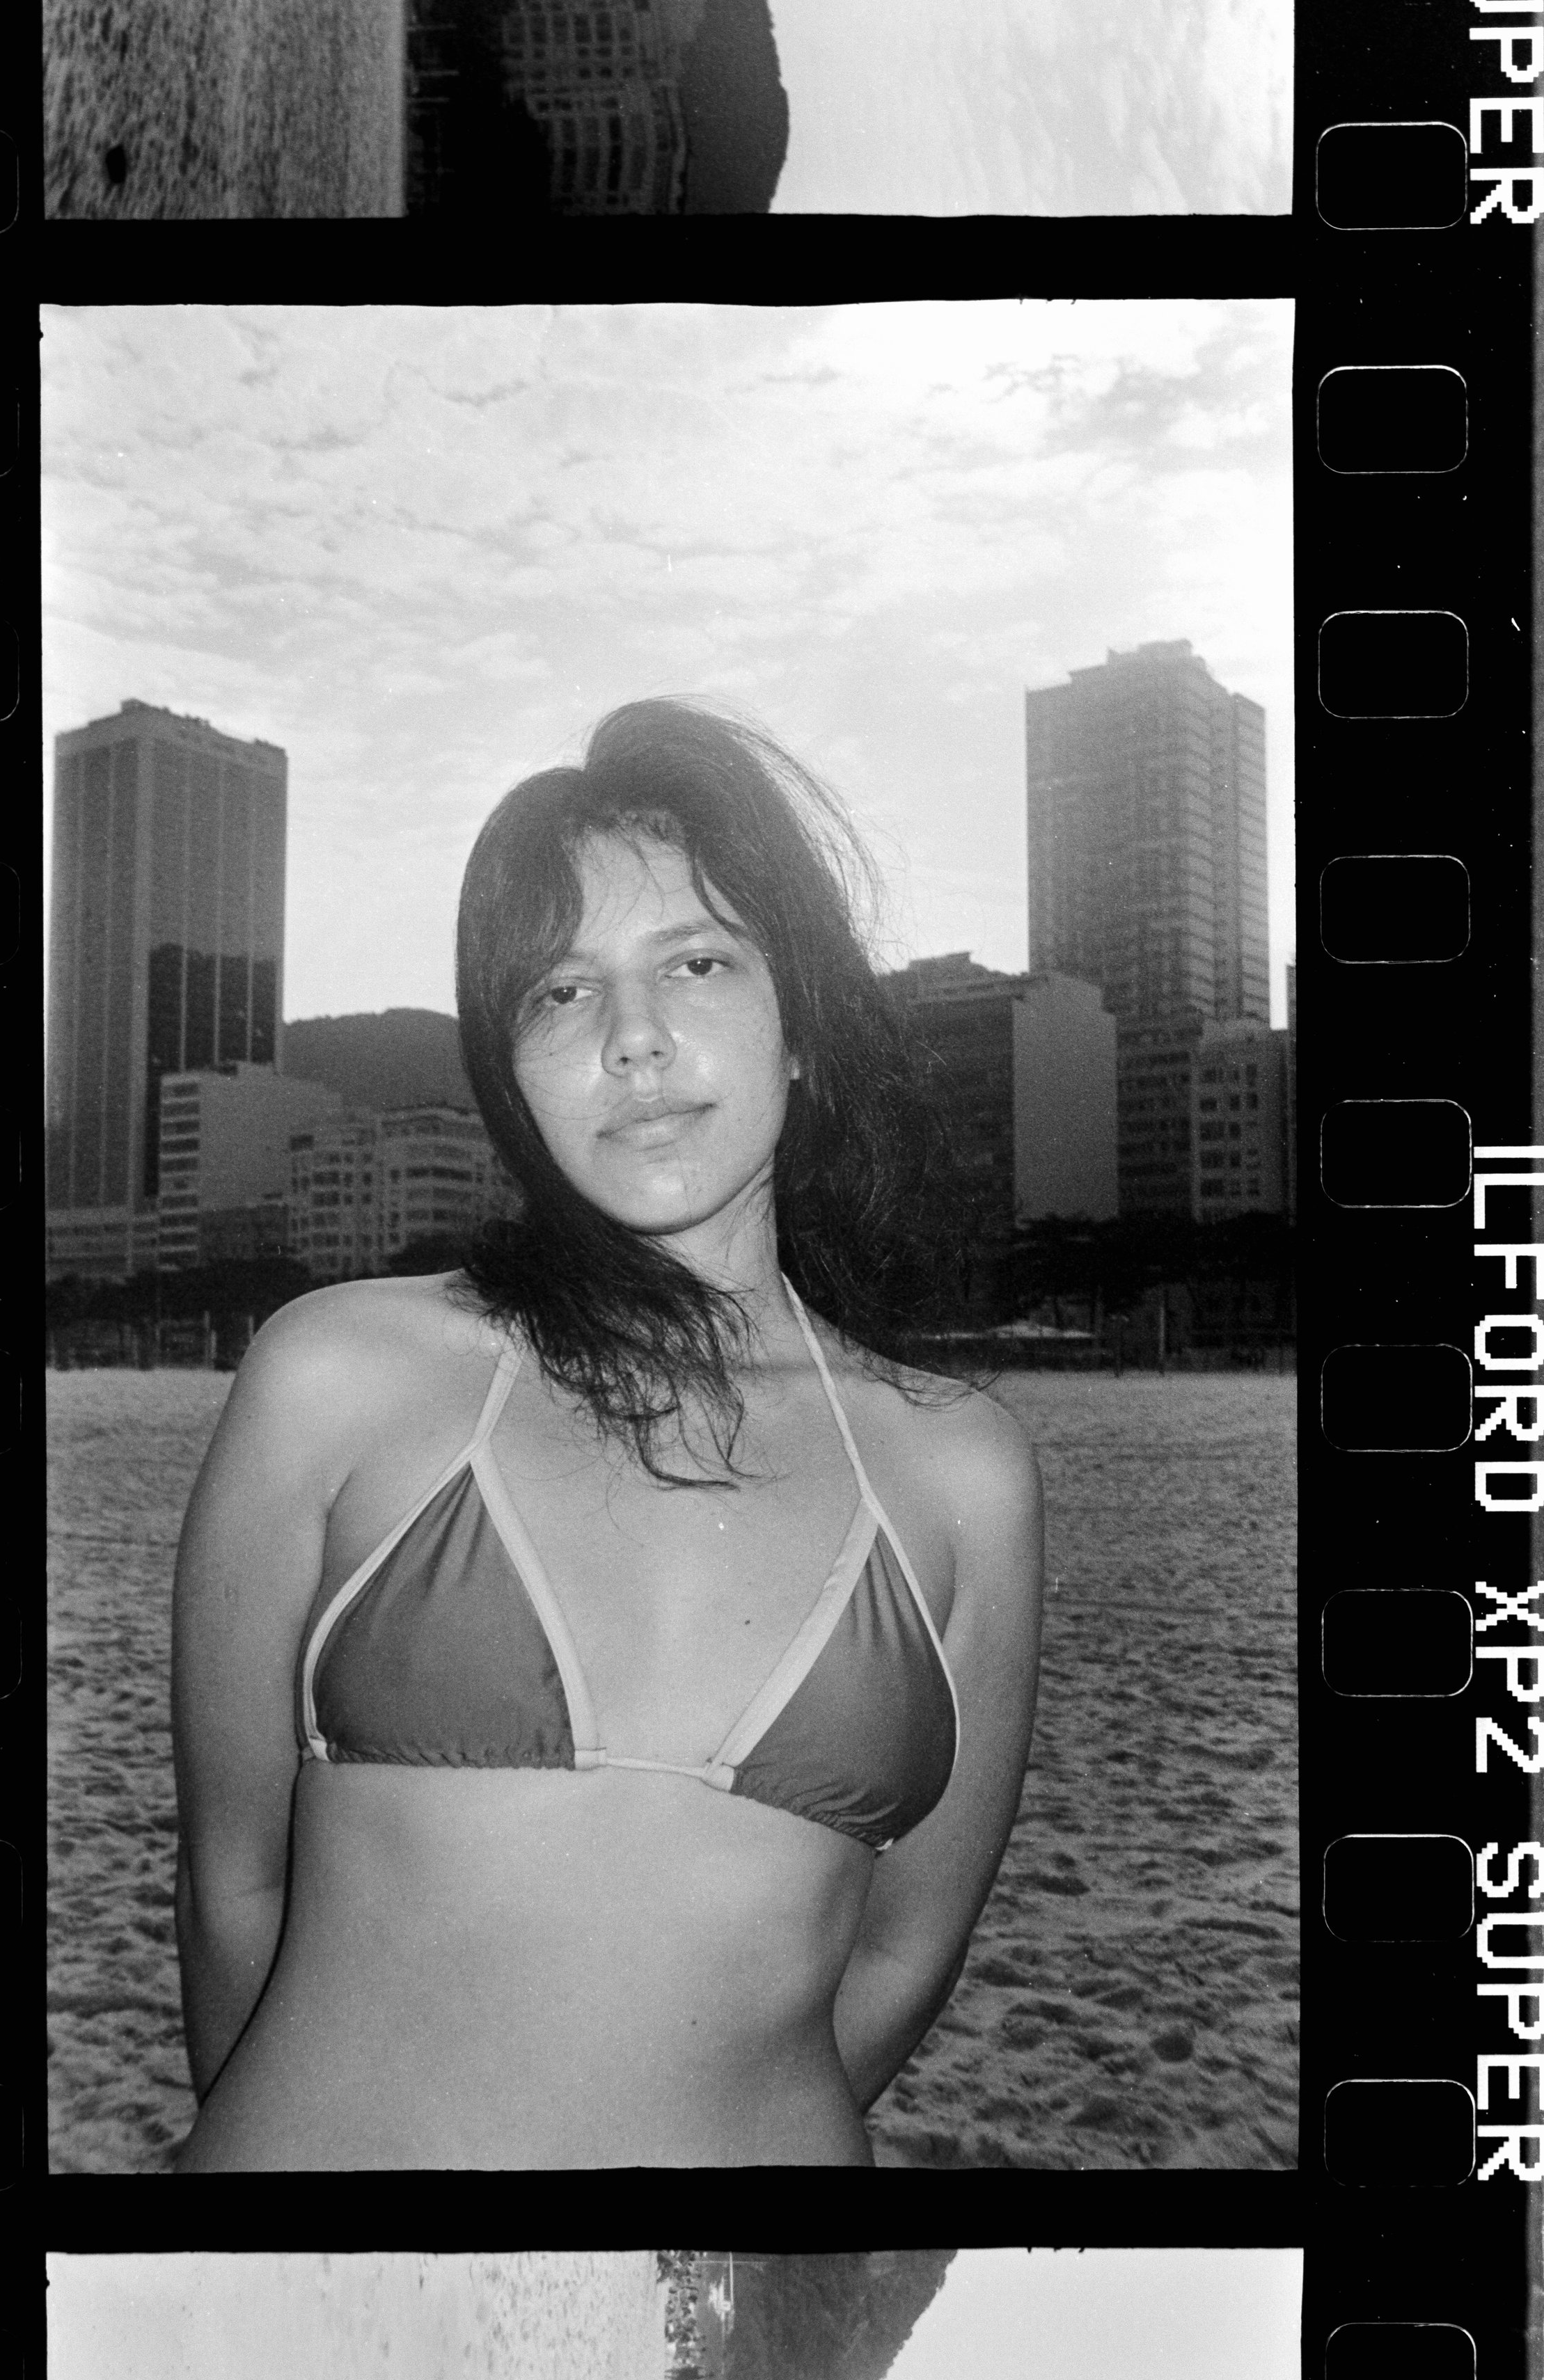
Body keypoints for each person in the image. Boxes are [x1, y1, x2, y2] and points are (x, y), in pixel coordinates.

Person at [171, 697, 1043, 2169]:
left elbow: (899, 1960)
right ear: (511, 1072)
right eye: (559, 995)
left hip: (727, 2318)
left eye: (695, 963)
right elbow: (229, 1884)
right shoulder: (341, 1376)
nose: (633, 1041)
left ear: (802, 1023)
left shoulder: (958, 1472)